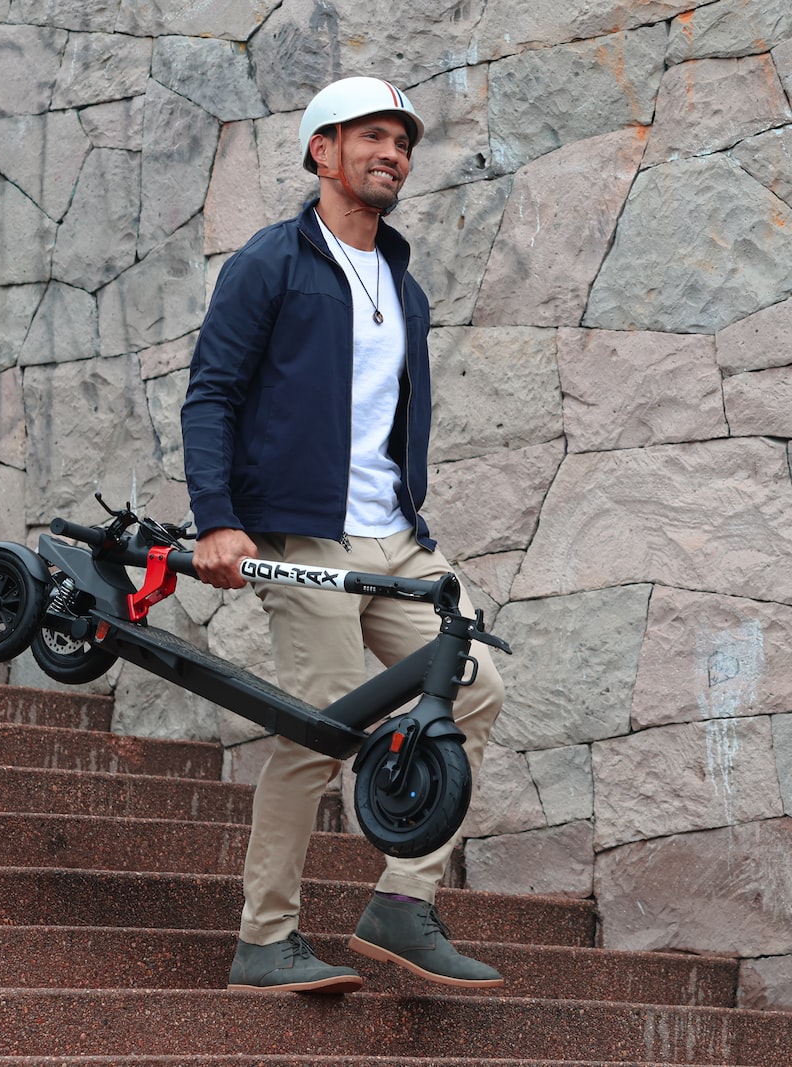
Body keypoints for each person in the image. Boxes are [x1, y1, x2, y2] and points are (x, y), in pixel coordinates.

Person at [180, 76, 506, 994]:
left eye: (402, 141)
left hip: (398, 541)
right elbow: (211, 394)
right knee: (325, 724)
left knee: (477, 688)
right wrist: (220, 522)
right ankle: (264, 938)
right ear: (321, 150)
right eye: (371, 136)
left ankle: (403, 903)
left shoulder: (403, 289)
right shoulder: (271, 262)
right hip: (304, 537)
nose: (392, 153)